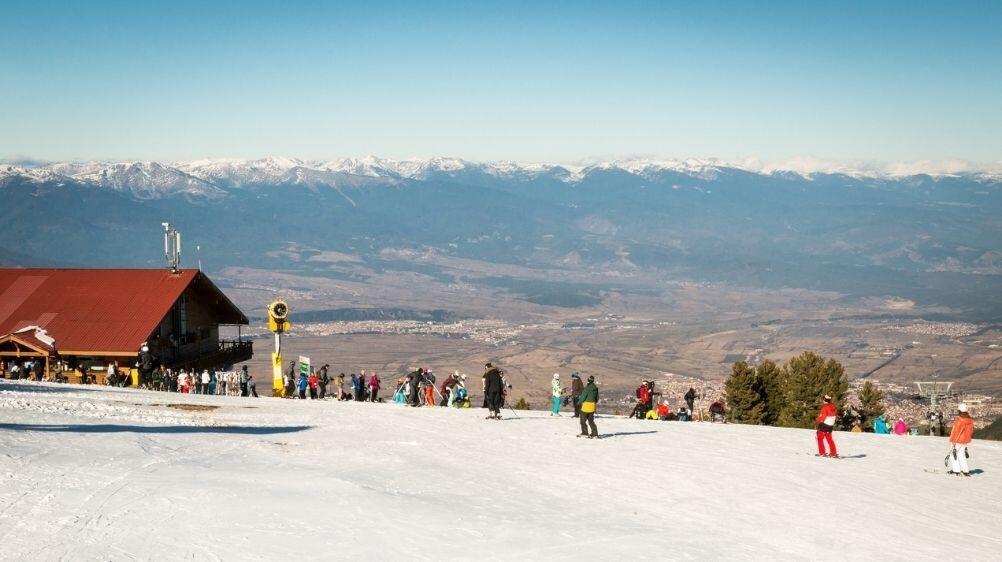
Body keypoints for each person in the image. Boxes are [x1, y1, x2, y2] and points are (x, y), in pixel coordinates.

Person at [948, 404, 974, 477]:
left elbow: (956, 431)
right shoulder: (970, 420)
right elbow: (971, 431)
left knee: (953, 455)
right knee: (961, 455)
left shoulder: (960, 420)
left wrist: (953, 440)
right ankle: (965, 470)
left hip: (957, 440)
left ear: (959, 410)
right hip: (965, 440)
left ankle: (956, 470)